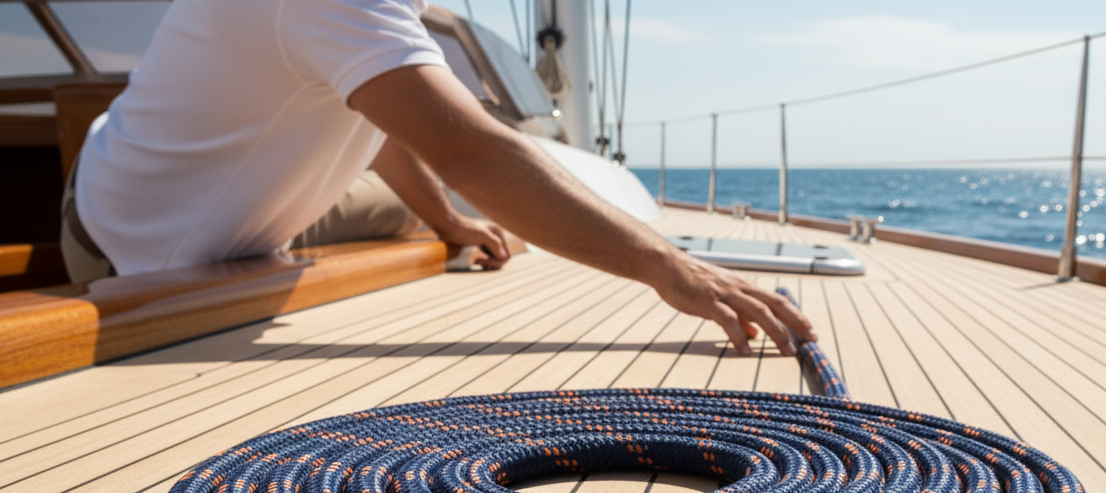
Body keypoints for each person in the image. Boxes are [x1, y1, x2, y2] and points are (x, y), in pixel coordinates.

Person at [61, 0, 814, 356]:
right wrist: (666, 266)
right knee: (445, 198)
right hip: (127, 243)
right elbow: (469, 153)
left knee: (417, 213)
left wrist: (448, 224)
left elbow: (384, 118)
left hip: (205, 208)